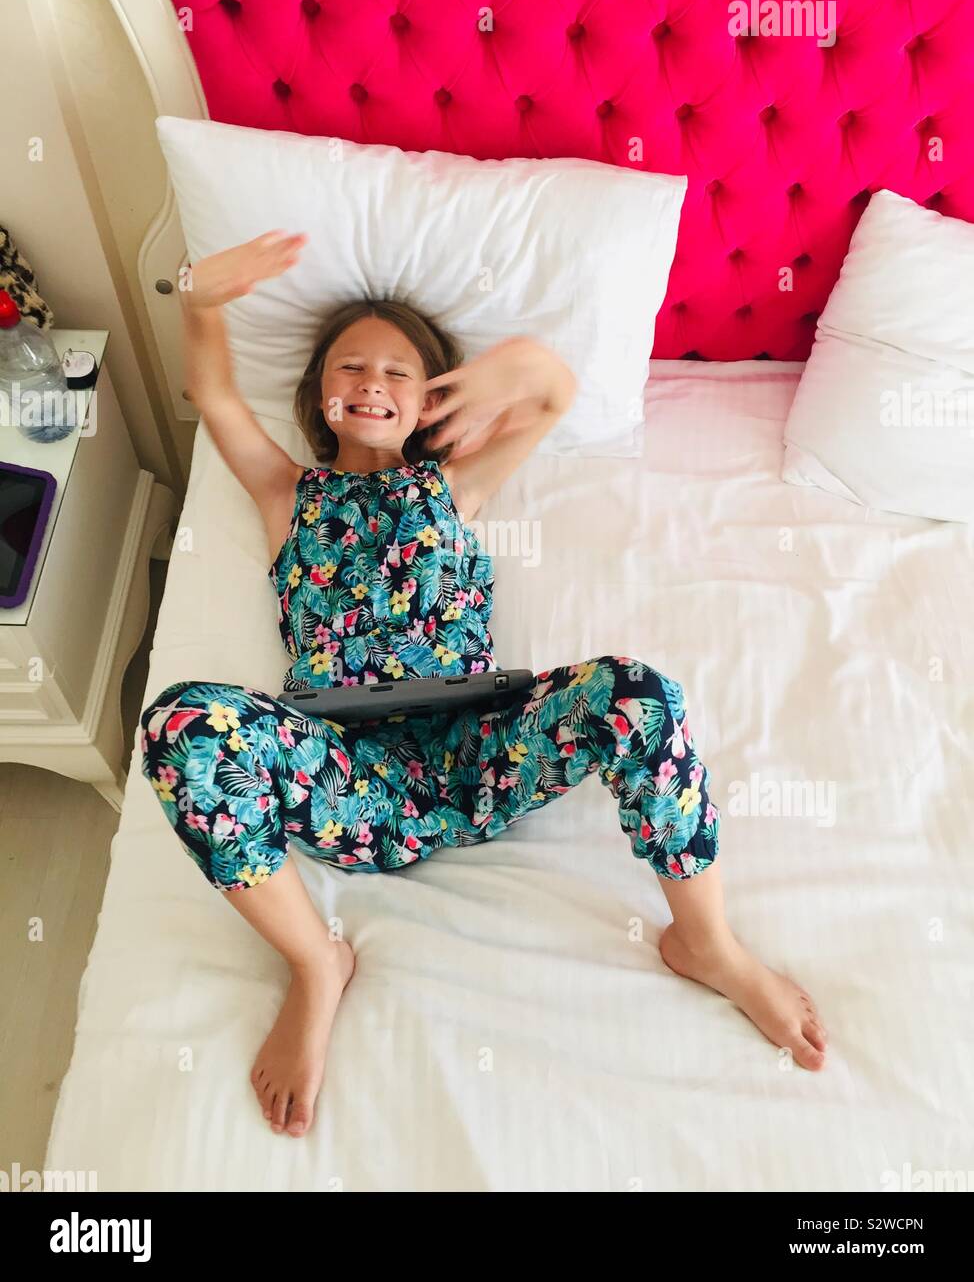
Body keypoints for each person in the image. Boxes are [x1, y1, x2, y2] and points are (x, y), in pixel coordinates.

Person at [140, 230, 827, 1139]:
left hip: (478, 760)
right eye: (351, 368)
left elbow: (551, 393)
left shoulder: (452, 488)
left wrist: (510, 372)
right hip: (345, 782)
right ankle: (316, 966)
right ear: (319, 397)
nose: (373, 383)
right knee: (178, 722)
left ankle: (706, 938)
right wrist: (197, 297)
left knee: (638, 691)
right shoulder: (286, 494)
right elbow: (215, 395)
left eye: (398, 372)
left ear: (430, 401)